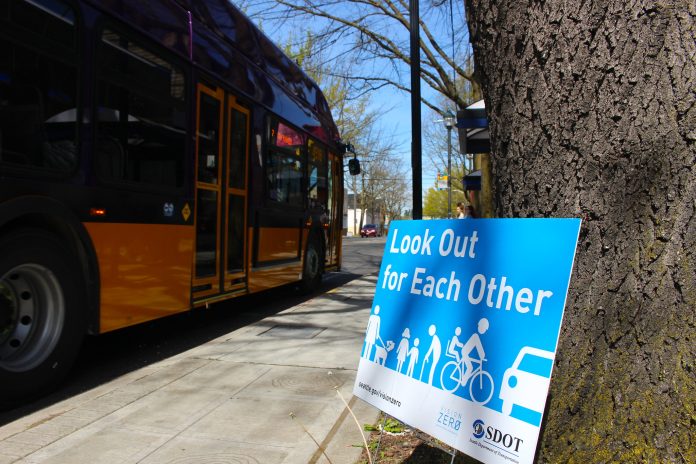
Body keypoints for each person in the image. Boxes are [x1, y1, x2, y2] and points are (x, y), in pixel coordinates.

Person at [460, 318, 489, 384]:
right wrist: (482, 356)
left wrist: (482, 356)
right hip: (464, 353)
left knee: (470, 366)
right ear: (480, 326)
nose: (484, 330)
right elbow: (479, 347)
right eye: (484, 328)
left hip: (466, 353)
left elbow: (479, 348)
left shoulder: (476, 336)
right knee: (470, 367)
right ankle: (463, 381)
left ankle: (464, 380)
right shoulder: (475, 336)